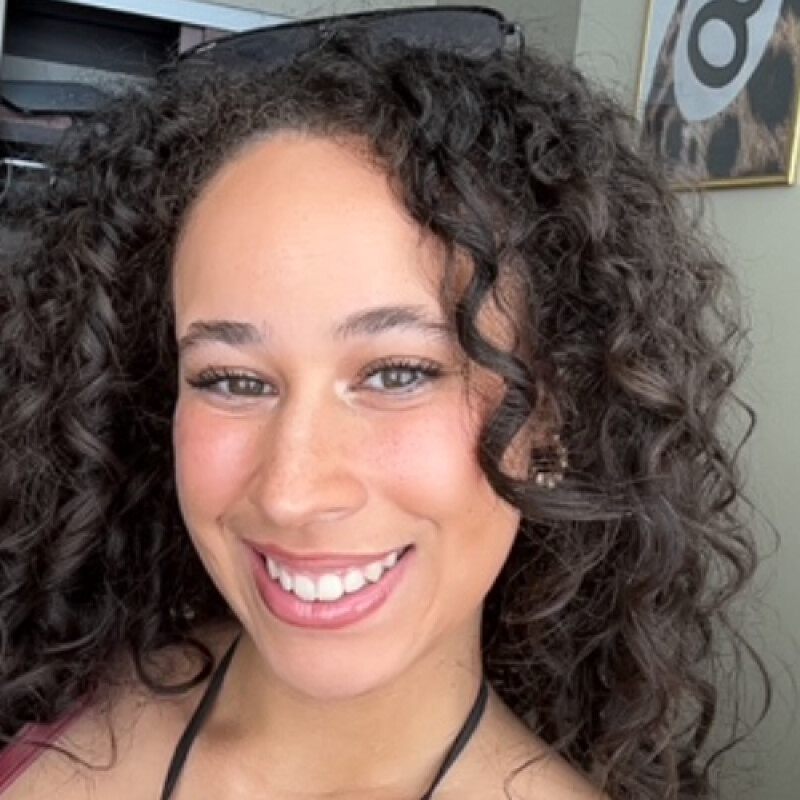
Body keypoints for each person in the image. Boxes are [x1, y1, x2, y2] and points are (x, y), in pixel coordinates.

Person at [0, 7, 767, 800]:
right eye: (232, 379)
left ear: (550, 418)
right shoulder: (60, 692)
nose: (292, 491)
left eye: (398, 373)